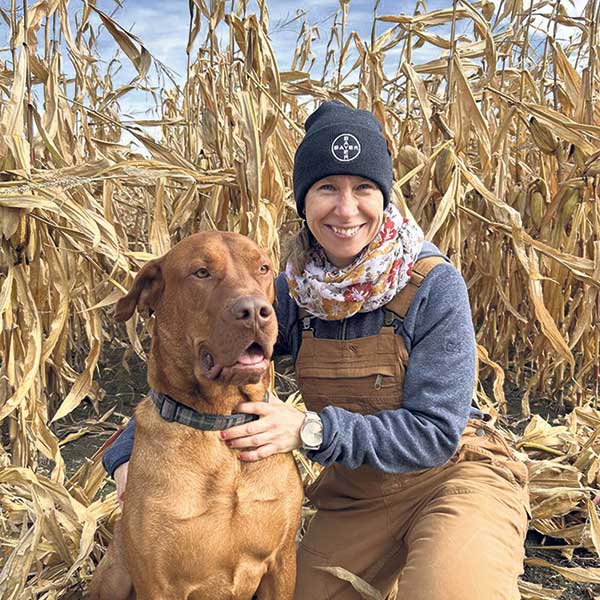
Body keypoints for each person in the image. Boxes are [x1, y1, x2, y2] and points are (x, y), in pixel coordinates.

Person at [102, 101, 529, 600]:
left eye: (363, 188)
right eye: (327, 188)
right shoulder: (293, 292)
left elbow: (435, 432)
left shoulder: (434, 286)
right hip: (358, 494)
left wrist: (307, 428)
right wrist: (126, 452)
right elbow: (195, 363)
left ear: (384, 198)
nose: (346, 210)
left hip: (453, 476)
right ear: (304, 201)